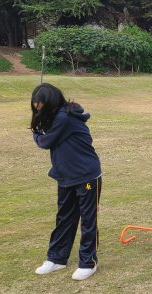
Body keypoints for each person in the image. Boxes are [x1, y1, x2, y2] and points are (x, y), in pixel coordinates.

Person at [30, 83, 102, 281]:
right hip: (66, 176)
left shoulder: (64, 118)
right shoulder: (57, 116)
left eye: (40, 105)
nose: (37, 109)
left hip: (87, 176)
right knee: (64, 217)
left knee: (88, 219)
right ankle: (57, 258)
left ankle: (88, 262)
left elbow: (45, 142)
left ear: (50, 102)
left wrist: (35, 133)